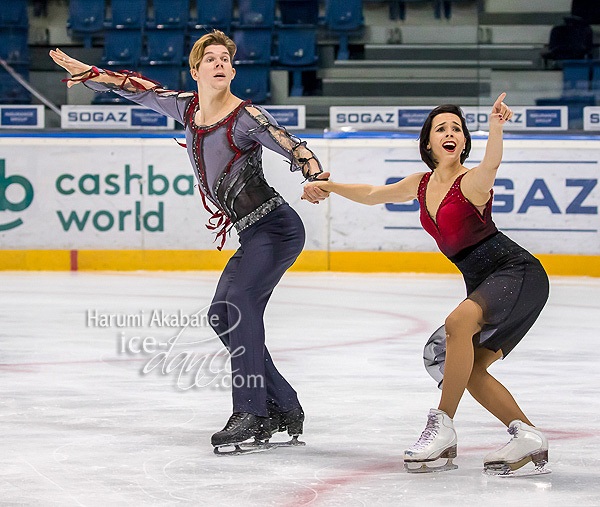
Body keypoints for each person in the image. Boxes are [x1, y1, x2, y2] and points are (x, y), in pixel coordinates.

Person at [50, 30, 330, 455]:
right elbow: (137, 88)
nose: (219, 64)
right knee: (221, 316)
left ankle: (251, 411)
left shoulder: (246, 117)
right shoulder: (187, 107)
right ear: (195, 70)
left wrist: (313, 175)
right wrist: (91, 74)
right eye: (210, 59)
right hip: (251, 233)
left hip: (277, 228)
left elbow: (290, 144)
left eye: (225, 59)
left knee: (238, 308)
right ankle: (284, 405)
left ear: (233, 70)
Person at [303, 94, 550, 476]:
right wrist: (331, 187)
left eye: (457, 129)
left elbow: (493, 163)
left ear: (464, 141)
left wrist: (497, 127)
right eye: (441, 129)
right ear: (429, 143)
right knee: (467, 369)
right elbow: (372, 194)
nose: (450, 133)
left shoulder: (472, 182)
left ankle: (442, 427)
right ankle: (526, 434)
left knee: (456, 326)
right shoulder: (420, 184)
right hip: (486, 282)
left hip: (517, 273)